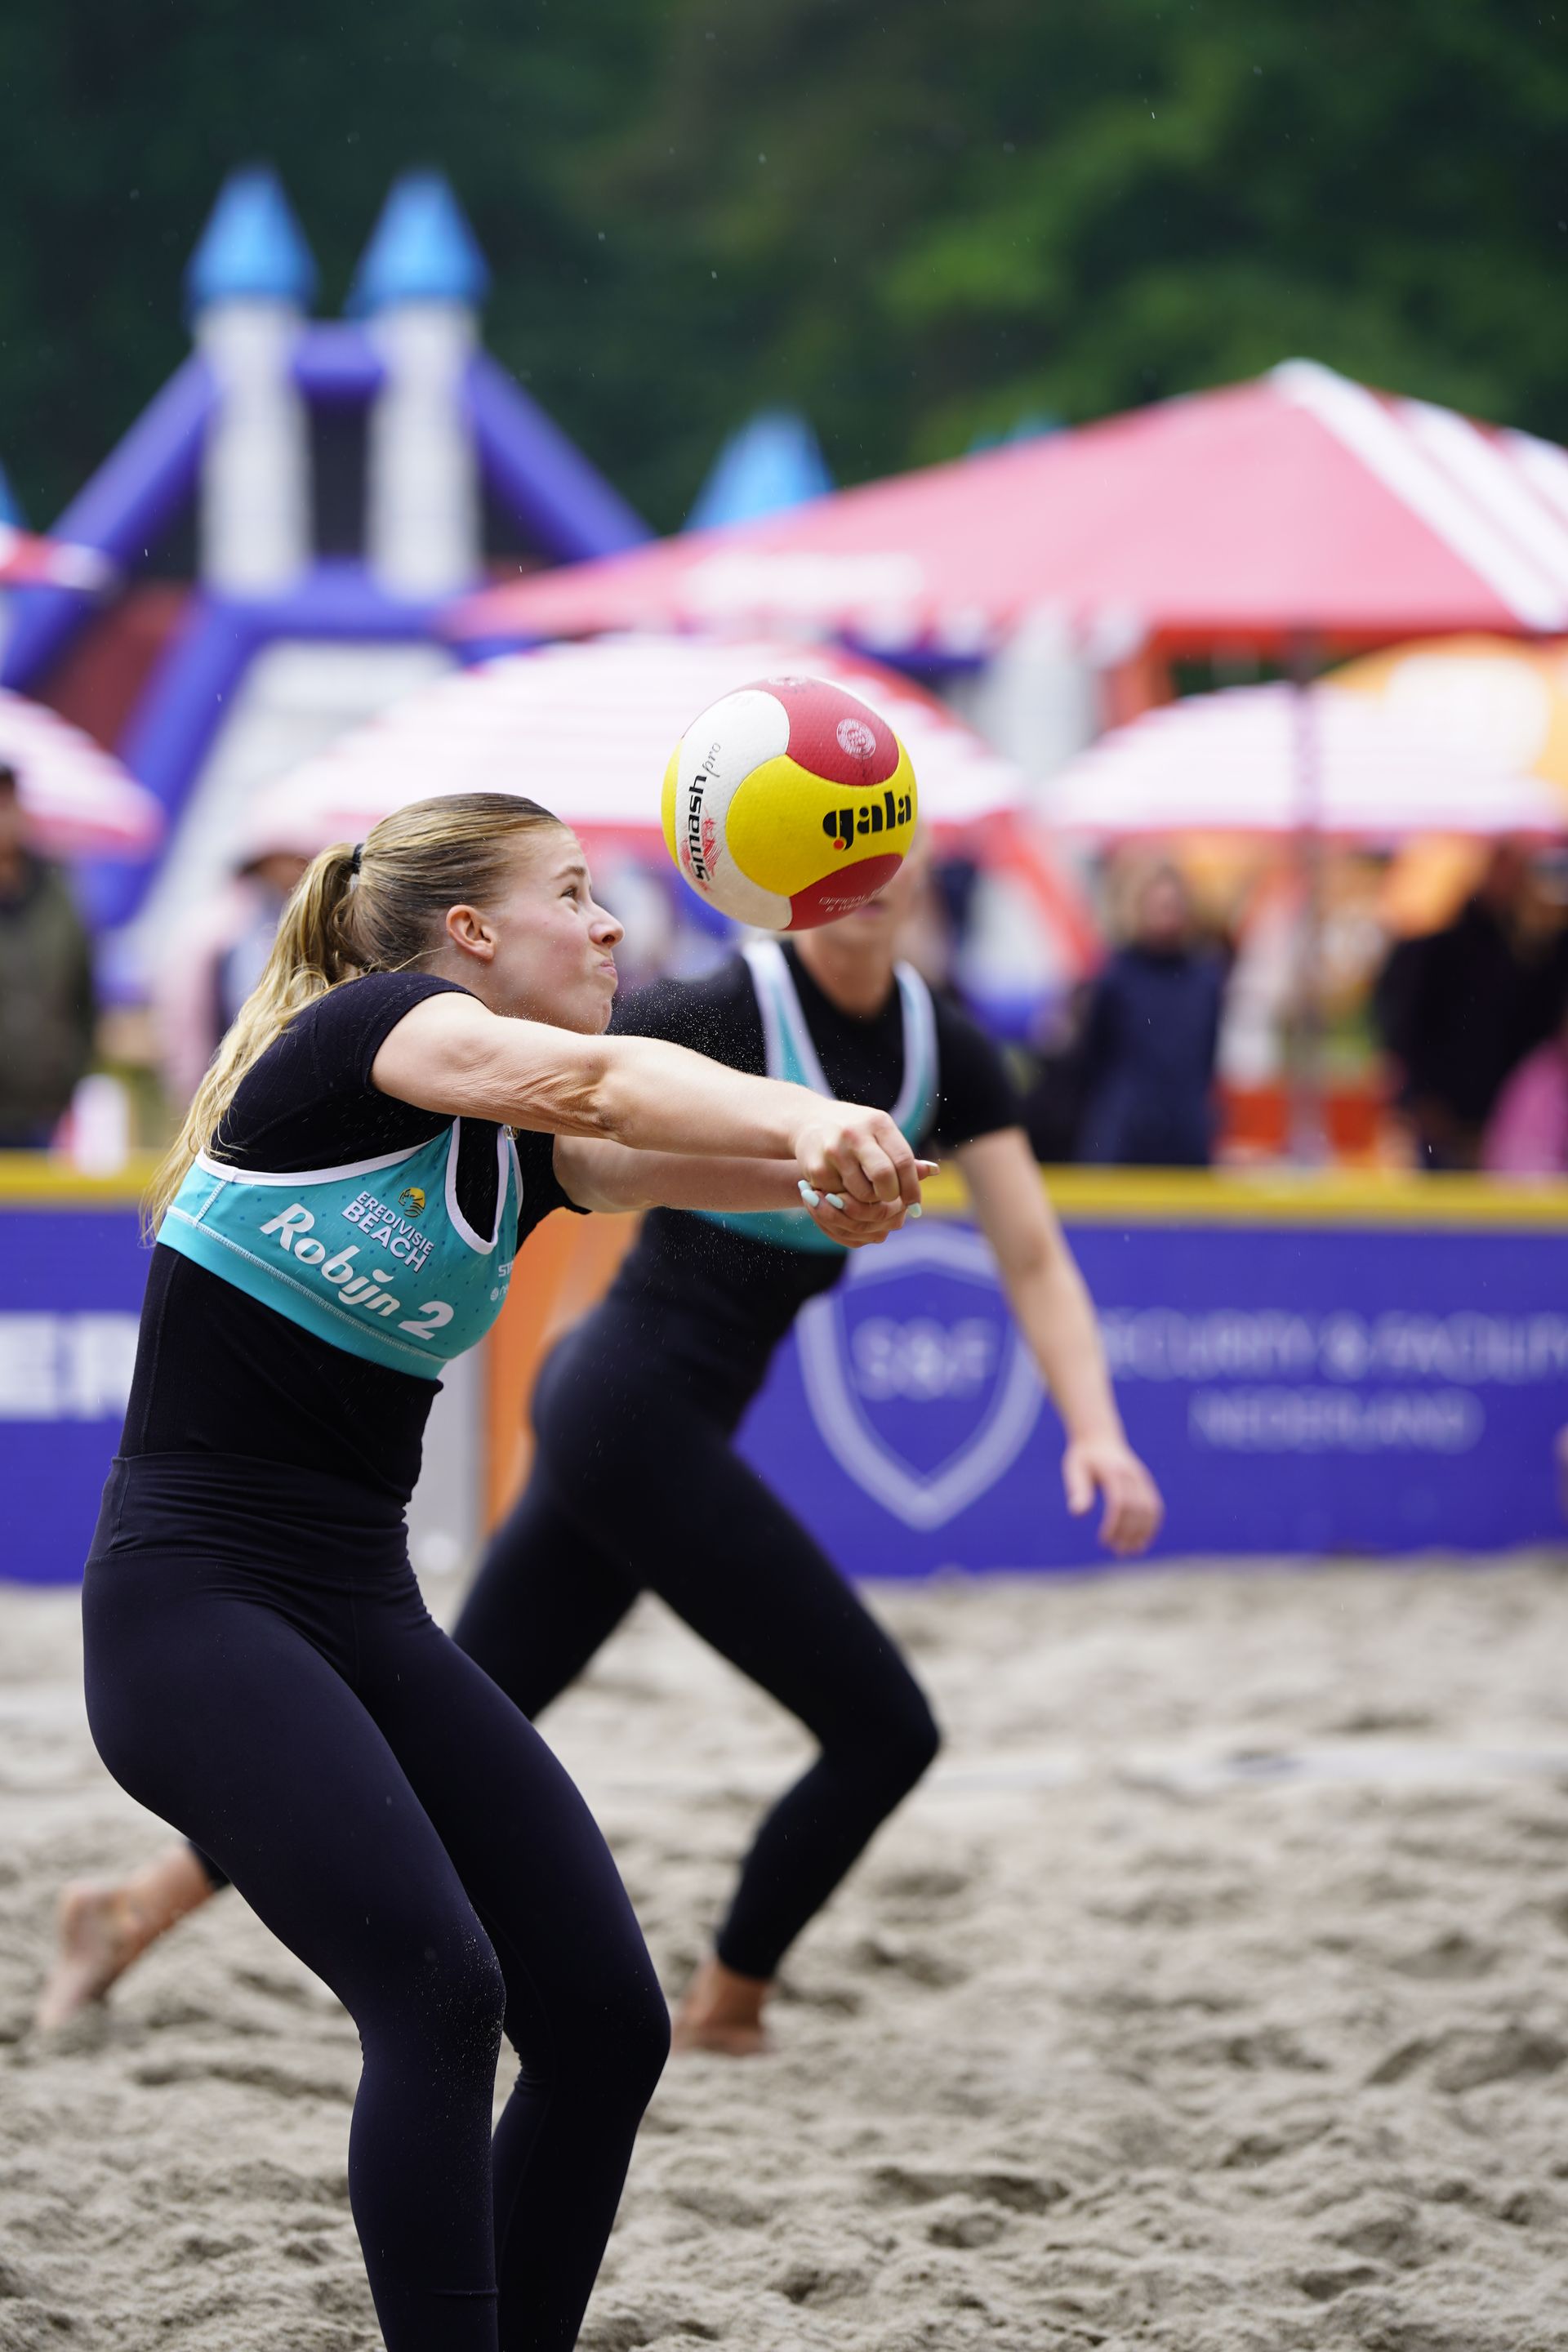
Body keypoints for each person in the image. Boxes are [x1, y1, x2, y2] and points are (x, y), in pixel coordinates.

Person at [55, 791, 927, 2352]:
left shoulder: (521, 1153)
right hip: (190, 1606)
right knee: (444, 1994)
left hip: (363, 1614)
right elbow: (603, 1075)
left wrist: (836, 1184)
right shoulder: (372, 1032)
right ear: (469, 936)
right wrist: (807, 1118)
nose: (609, 927)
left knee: (605, 2025)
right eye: (576, 894)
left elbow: (655, 1152)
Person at [46, 848, 1159, 2066]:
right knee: (885, 1728)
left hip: (656, 1419)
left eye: (886, 844)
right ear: (784, 876)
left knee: (468, 1703)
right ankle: (731, 2003)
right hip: (627, 1409)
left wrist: (1096, 1429)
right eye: (834, 849)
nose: (867, 873)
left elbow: (1034, 1253)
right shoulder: (718, 1008)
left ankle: (135, 1906)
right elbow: (589, 1102)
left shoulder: (944, 1046)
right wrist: (802, 1131)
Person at [1374, 841, 1566, 1171]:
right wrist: (1422, 1098)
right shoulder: (1444, 950)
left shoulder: (1523, 950)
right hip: (1450, 1114)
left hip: (1500, 1110)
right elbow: (1408, 1028)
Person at [1075, 859, 1224, 1166]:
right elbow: (1092, 1056)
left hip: (1187, 1133)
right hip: (1124, 1133)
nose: (1167, 916)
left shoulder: (1205, 978)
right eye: (1158, 906)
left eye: (1173, 905)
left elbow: (1208, 1056)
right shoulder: (1114, 974)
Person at [0, 759, 96, 1147]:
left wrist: (70, 1072)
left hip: (41, 1107)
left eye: (8, 802)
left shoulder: (59, 891)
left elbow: (83, 993)